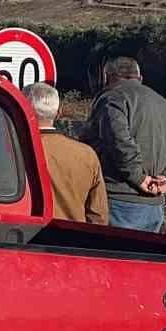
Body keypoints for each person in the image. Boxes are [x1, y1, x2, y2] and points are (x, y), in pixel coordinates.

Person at [79, 57, 166, 232]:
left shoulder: (111, 99)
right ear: (140, 78)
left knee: (112, 257)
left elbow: (119, 141)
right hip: (155, 205)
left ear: (106, 77)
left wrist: (139, 178)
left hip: (117, 200)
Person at [24, 83, 108, 225]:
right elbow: (98, 215)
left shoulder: (15, 150)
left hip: (25, 236)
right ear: (59, 112)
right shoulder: (86, 154)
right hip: (71, 240)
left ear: (24, 110)